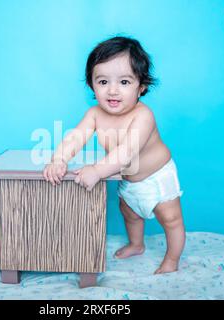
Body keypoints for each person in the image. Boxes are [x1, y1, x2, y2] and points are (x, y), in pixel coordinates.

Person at [43, 36, 185, 274]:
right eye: (103, 81)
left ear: (141, 87)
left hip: (158, 176)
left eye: (125, 82)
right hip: (128, 179)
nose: (113, 90)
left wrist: (97, 171)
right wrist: (59, 159)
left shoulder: (143, 115)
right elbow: (75, 137)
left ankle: (172, 260)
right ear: (92, 85)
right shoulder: (95, 114)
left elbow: (127, 152)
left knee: (170, 219)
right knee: (129, 213)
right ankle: (136, 244)